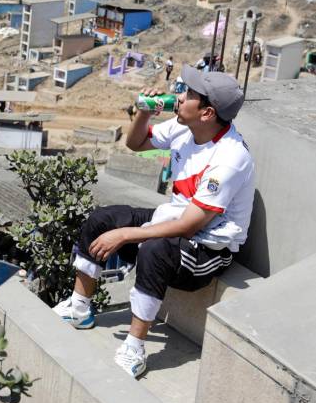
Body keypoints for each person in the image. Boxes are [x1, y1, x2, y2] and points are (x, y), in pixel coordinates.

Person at [52, 65, 254, 379]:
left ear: (207, 113)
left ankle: (134, 348)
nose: (179, 96)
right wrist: (143, 114)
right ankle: (79, 307)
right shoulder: (184, 126)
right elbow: (136, 144)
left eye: (189, 94)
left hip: (208, 250)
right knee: (104, 218)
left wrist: (125, 235)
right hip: (173, 221)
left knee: (154, 248)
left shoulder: (230, 158)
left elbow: (191, 226)